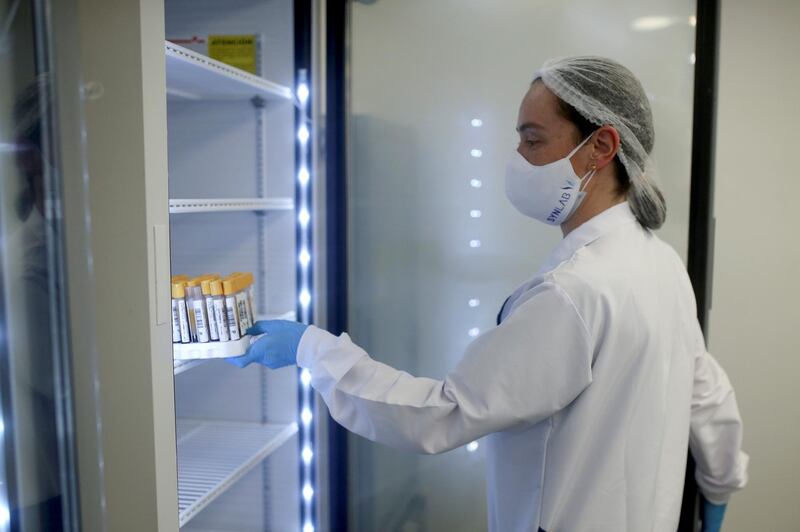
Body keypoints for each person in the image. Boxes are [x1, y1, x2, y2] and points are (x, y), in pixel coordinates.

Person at [229, 56, 748, 532]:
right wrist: (719, 488)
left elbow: (441, 415)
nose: (518, 157)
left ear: (602, 147)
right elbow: (709, 394)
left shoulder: (572, 293)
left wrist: (313, 350)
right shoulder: (660, 262)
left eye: (533, 139)